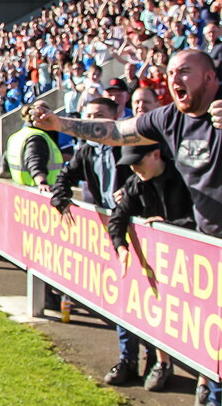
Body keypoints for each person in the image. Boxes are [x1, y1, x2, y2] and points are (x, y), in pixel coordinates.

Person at [33, 50, 222, 405]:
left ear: (211, 77)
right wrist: (59, 124)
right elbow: (116, 131)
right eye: (170, 73)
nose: (174, 79)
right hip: (209, 248)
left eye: (185, 71)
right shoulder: (169, 118)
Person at [105, 144, 195, 391]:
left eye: (138, 163)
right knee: (149, 307)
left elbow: (202, 219)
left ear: (156, 155)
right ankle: (158, 362)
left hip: (191, 262)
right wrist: (121, 246)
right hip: (158, 261)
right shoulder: (136, 182)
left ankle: (204, 381)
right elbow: (118, 217)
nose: (134, 169)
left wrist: (170, 226)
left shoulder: (185, 177)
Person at [50, 98, 129, 211]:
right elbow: (66, 176)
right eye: (89, 116)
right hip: (103, 215)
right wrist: (61, 198)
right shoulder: (87, 150)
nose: (92, 120)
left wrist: (128, 192)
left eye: (99, 115)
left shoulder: (128, 146)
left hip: (133, 216)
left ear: (114, 118)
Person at [5, 100, 63, 190]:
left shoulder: (17, 136)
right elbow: (35, 161)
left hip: (20, 189)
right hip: (39, 190)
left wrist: (1, 172)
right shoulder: (36, 137)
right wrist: (42, 182)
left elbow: (5, 157)